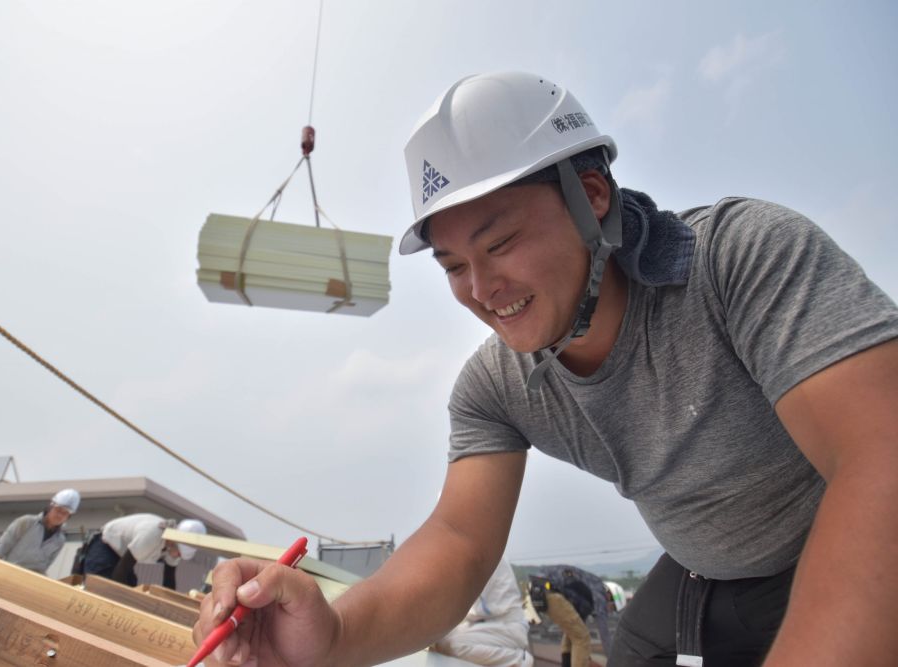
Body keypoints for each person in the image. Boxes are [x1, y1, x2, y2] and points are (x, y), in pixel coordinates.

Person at [194, 71, 898, 666]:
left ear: (592, 196)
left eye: (499, 242)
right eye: (454, 266)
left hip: (836, 553)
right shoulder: (496, 386)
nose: (481, 288)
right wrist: (336, 632)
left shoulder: (737, 262)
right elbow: (461, 541)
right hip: (697, 571)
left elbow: (880, 454)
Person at [433, 558, 534, 667]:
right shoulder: (479, 556)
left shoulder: (485, 559)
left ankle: (519, 660)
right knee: (440, 641)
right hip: (487, 624)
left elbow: (463, 608)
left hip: (507, 626)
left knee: (453, 644)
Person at [80, 513, 206, 589]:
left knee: (131, 588)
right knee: (100, 587)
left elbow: (169, 579)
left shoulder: (173, 547)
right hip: (106, 547)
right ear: (173, 541)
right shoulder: (152, 534)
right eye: (179, 552)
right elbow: (122, 570)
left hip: (122, 556)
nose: (178, 556)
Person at [0, 488, 80, 574]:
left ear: (69, 517)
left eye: (65, 513)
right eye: (58, 510)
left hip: (29, 581)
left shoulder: (59, 540)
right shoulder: (26, 522)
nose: (60, 515)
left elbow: (45, 566)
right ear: (50, 507)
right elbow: (1, 548)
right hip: (7, 572)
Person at [529, 572, 594, 667]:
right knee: (582, 637)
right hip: (552, 594)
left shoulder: (588, 593)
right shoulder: (598, 599)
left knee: (572, 634)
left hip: (540, 593)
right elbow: (604, 634)